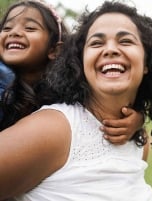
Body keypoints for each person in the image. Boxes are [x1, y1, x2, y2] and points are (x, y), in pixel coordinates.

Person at [0, 1, 152, 200]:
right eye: (96, 43)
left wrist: (138, 120)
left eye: (125, 41)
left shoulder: (137, 140)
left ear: (147, 62)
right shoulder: (52, 129)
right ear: (80, 62)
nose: (111, 50)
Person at [0, 0, 143, 144]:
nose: (14, 32)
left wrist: (136, 120)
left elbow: (100, 106)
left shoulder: (69, 87)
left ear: (55, 49)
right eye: (6, 28)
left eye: (30, 28)